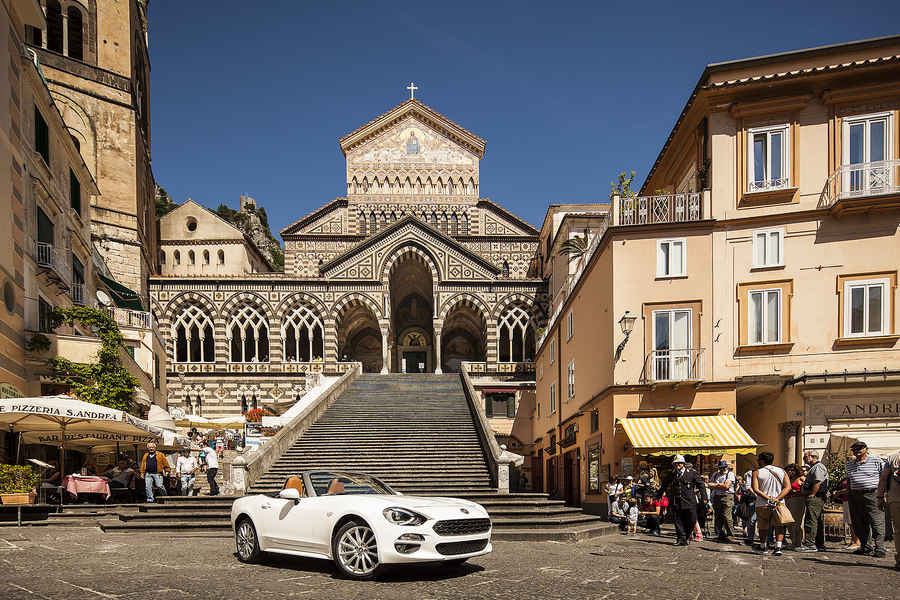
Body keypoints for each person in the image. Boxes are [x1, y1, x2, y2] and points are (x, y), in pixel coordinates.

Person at [846, 441, 886, 558]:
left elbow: (884, 478)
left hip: (872, 494)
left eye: (860, 449)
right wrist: (850, 495)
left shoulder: (876, 461)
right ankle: (865, 546)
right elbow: (849, 481)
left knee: (876, 521)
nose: (857, 451)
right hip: (855, 495)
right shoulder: (849, 464)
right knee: (858, 522)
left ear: (866, 449)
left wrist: (883, 494)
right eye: (854, 449)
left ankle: (880, 547)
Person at [657, 454, 707, 546]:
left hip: (689, 501)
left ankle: (687, 536)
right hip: (676, 501)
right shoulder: (672, 474)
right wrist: (658, 495)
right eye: (675, 463)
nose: (677, 465)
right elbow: (664, 484)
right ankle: (681, 538)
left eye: (679, 463)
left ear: (683, 463)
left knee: (691, 519)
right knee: (677, 520)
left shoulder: (691, 473)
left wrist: (704, 497)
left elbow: (701, 485)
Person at [751, 451, 791, 556]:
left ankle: (763, 547)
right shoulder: (782, 471)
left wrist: (768, 498)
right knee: (779, 526)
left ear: (762, 461)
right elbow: (788, 487)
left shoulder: (757, 472)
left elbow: (755, 489)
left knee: (763, 526)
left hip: (762, 503)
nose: (757, 461)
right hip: (778, 503)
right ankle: (778, 547)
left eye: (758, 459)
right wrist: (777, 498)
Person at [797, 450, 828, 553]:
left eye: (805, 457)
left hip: (816, 497)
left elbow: (818, 481)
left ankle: (810, 544)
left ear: (812, 457)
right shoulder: (814, 467)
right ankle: (819, 544)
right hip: (816, 497)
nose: (804, 459)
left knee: (811, 520)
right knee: (817, 521)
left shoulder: (818, 467)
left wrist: (812, 494)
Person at [876, 449, 900, 571]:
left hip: (896, 498)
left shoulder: (892, 458)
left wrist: (880, 497)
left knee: (898, 530)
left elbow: (884, 479)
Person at [709, 460, 737, 543]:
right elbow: (709, 485)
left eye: (723, 468)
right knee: (718, 516)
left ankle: (730, 535)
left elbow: (726, 486)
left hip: (727, 497)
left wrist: (716, 485)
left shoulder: (730, 474)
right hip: (717, 497)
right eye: (720, 468)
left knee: (726, 516)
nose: (721, 470)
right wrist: (720, 485)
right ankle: (721, 534)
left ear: (726, 467)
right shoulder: (715, 474)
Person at [783, 464, 806, 549]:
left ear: (796, 470)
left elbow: (806, 489)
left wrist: (797, 491)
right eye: (788, 470)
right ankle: (793, 541)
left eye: (792, 470)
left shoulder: (801, 478)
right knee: (790, 522)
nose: (790, 472)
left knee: (797, 522)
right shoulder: (789, 479)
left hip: (798, 500)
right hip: (789, 500)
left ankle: (798, 542)